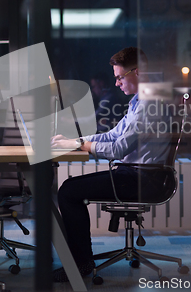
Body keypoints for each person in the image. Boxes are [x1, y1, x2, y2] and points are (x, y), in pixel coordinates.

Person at [51, 47, 174, 282]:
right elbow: (112, 136)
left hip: (143, 179)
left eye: (119, 77)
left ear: (136, 72)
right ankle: (81, 259)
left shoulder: (150, 104)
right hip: (135, 174)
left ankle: (81, 264)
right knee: (69, 188)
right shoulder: (140, 101)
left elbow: (118, 149)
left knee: (68, 191)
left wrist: (81, 146)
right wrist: (76, 141)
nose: (116, 83)